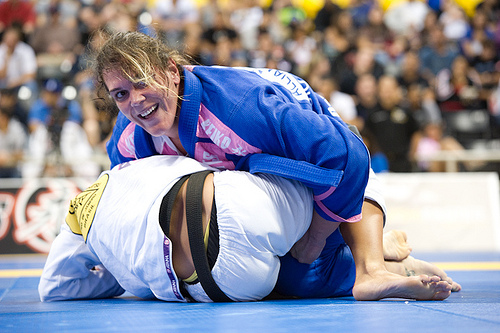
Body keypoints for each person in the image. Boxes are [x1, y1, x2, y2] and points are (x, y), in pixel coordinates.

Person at [94, 31, 427, 301]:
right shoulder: (128, 139)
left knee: (307, 260)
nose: (135, 101)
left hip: (322, 143)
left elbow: (347, 154)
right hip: (256, 176)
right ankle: (376, 248)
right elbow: (123, 209)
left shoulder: (238, 108)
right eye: (120, 94)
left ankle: (371, 263)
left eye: (141, 82)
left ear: (171, 71)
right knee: (286, 281)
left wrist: (315, 238)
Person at [38, 155, 456, 303]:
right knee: (342, 170)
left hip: (217, 285)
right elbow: (209, 165)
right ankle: (370, 247)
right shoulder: (137, 167)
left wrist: (117, 275)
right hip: (232, 204)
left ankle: (382, 262)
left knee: (292, 278)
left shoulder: (78, 215)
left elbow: (54, 288)